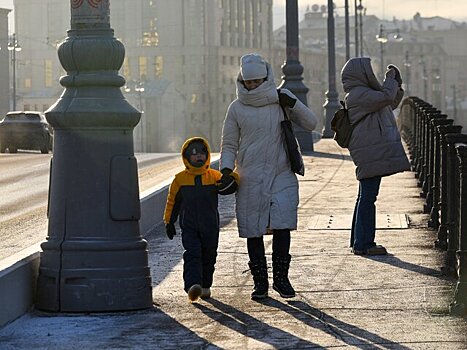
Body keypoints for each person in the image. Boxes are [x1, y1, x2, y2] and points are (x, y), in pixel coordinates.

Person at [219, 53, 317, 300]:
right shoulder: (237, 108)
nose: (252, 86)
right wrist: (226, 170)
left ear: (266, 78)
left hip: (281, 172)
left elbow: (312, 123)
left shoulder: (282, 99)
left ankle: (281, 279)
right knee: (253, 229)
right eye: (248, 82)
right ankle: (260, 282)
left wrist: (293, 103)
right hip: (250, 175)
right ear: (241, 81)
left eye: (256, 82)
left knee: (283, 224)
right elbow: (229, 144)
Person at [341, 57, 410, 256]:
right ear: (361, 74)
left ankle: (358, 241)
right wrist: (390, 78)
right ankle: (364, 244)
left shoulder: (363, 94)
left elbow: (389, 103)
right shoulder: (358, 94)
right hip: (369, 151)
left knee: (365, 195)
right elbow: (386, 98)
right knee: (368, 197)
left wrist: (396, 85)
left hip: (370, 150)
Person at [163, 137, 239, 302]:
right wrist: (169, 221)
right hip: (189, 225)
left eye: (201, 153)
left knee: (209, 255)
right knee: (192, 254)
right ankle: (192, 285)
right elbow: (172, 201)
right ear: (186, 157)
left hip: (210, 225)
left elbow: (227, 187)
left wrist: (234, 180)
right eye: (194, 153)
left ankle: (205, 286)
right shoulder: (180, 179)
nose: (198, 156)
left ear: (207, 156)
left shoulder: (213, 176)